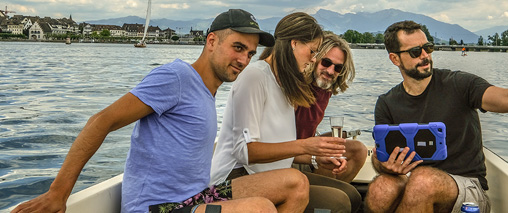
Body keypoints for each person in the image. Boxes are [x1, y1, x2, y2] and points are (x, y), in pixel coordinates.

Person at [11, 9, 311, 213]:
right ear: (211, 41)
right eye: (237, 47)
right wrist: (58, 193)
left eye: (249, 53)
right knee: (259, 209)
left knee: (294, 182)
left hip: (195, 198)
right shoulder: (176, 77)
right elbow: (101, 121)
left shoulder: (209, 90)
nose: (244, 60)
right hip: (159, 207)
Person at [365, 20, 508, 213]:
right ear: (395, 58)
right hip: (415, 182)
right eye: (415, 51)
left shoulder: (460, 84)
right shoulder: (387, 102)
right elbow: (380, 156)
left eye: (428, 47)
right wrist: (385, 165)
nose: (425, 55)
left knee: (423, 181)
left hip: (467, 188)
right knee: (380, 188)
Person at [210, 12, 349, 212]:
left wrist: (314, 156)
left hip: (273, 174)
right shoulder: (255, 76)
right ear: (294, 44)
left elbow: (279, 147)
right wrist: (304, 146)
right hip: (235, 176)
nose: (313, 59)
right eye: (312, 51)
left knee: (350, 195)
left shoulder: (286, 85)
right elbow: (244, 152)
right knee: (338, 202)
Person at [293, 33, 367, 212]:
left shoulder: (324, 89)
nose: (331, 71)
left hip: (306, 153)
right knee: (346, 198)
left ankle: (324, 195)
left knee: (358, 150)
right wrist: (316, 155)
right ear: (314, 58)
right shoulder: (296, 88)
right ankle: (326, 199)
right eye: (326, 63)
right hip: (288, 158)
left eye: (338, 67)